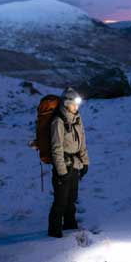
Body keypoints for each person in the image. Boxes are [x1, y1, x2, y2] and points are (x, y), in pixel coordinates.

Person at [48, 87, 90, 238]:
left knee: (71, 199)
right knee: (60, 201)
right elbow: (56, 148)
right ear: (66, 104)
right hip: (63, 166)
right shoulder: (58, 121)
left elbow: (82, 142)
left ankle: (70, 225)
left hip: (75, 165)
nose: (76, 107)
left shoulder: (77, 119)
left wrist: (85, 162)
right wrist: (61, 172)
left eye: (77, 104)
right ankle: (54, 232)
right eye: (74, 104)